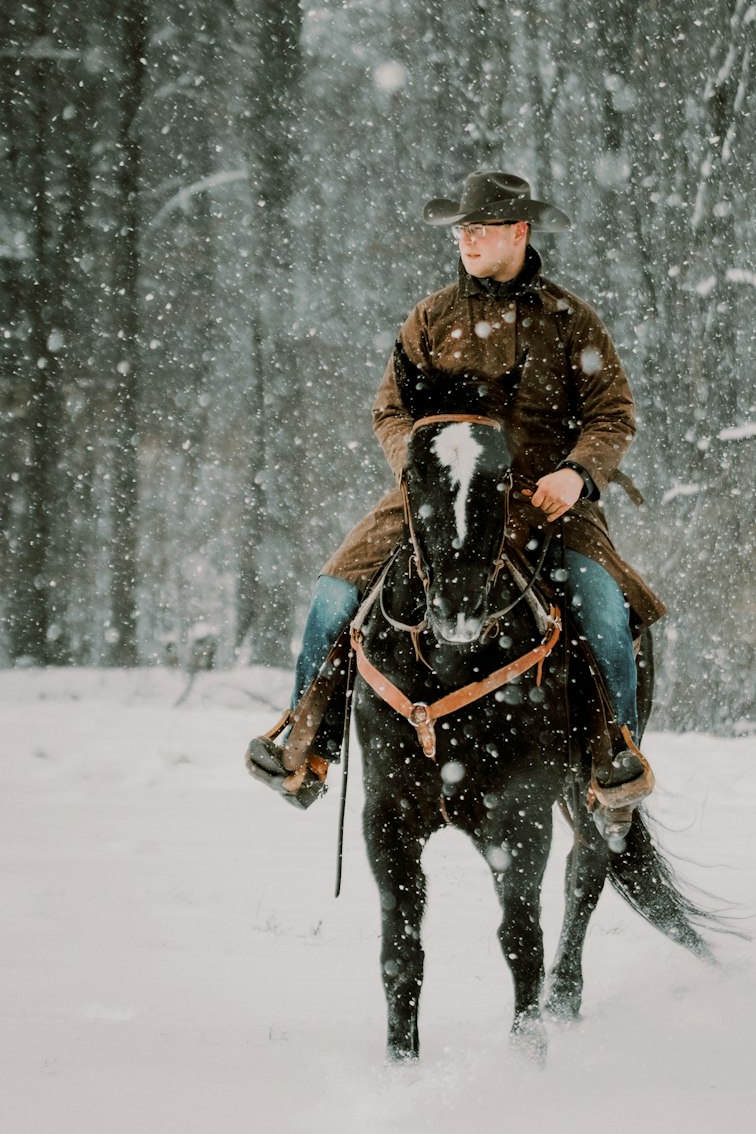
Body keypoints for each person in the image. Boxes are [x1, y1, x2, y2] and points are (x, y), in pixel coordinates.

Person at [252, 171, 665, 819]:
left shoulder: (569, 322)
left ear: (519, 232)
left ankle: (613, 757)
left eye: (482, 228)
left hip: (543, 501)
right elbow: (390, 411)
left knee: (609, 612)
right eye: (462, 230)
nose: (466, 240)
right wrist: (418, 468)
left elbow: (613, 412)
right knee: (334, 594)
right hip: (437, 498)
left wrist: (578, 473)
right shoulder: (431, 318)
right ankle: (309, 745)